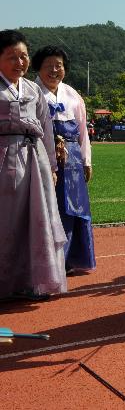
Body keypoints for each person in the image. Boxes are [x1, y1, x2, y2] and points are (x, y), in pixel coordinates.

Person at [0, 30, 66, 301]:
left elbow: (47, 130)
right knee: (7, 221)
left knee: (36, 220)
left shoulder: (32, 89)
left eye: (23, 56)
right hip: (4, 159)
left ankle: (32, 282)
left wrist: (51, 165)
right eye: (11, 57)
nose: (20, 63)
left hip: (34, 160)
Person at [33, 46, 95, 274]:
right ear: (38, 68)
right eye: (48, 65)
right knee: (51, 209)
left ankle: (72, 258)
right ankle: (51, 263)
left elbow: (82, 130)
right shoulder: (32, 92)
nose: (53, 70)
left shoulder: (73, 95)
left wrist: (86, 160)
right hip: (44, 156)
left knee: (75, 208)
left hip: (73, 159)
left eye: (58, 65)